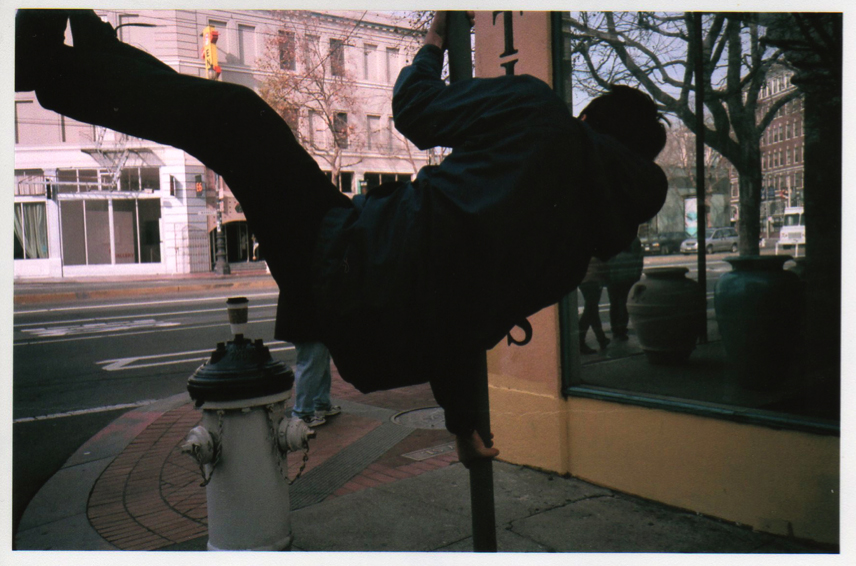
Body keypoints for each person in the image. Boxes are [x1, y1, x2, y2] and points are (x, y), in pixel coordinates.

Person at [16, 10, 667, 467]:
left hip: (343, 251)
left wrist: (434, 46)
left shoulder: (538, 114)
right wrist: (464, 425)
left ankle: (58, 62)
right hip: (364, 333)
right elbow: (461, 318)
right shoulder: (570, 256)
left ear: (591, 118)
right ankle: (84, 49)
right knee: (230, 125)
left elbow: (414, 112)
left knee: (234, 117)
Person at [291, 342, 341, 427]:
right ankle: (303, 413)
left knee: (320, 361)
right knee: (311, 363)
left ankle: (321, 404)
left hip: (314, 331)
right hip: (310, 333)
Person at [607, 237, 644, 341]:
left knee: (614, 305)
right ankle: (622, 330)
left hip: (614, 282)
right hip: (627, 282)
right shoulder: (632, 255)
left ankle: (615, 329)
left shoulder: (614, 256)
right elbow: (637, 269)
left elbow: (609, 269)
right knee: (623, 306)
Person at [578, 258, 610, 354]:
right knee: (589, 312)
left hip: (584, 280)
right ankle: (580, 340)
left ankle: (601, 338)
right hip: (593, 280)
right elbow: (603, 264)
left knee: (592, 311)